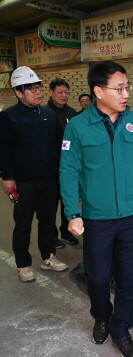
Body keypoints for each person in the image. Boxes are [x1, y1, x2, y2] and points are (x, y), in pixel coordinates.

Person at [59, 61, 133, 357]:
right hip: (97, 217)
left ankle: (121, 328)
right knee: (99, 277)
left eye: (128, 87)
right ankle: (101, 316)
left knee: (130, 277)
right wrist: (72, 214)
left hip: (132, 215)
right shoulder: (77, 127)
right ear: (98, 91)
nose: (125, 93)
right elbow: (68, 171)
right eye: (119, 88)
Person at [0, 66, 69, 282]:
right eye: (31, 88)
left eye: (38, 87)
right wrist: (8, 178)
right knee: (23, 223)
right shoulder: (8, 117)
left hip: (49, 179)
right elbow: (4, 149)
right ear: (19, 93)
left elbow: (60, 144)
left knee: (48, 220)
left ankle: (48, 256)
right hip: (23, 181)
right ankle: (23, 263)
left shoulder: (49, 115)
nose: (38, 92)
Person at [45, 78, 79, 248]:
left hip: (70, 169)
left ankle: (66, 231)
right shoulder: (44, 113)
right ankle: (52, 237)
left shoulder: (72, 113)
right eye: (60, 92)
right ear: (51, 93)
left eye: (66, 92)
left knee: (68, 202)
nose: (64, 95)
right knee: (50, 206)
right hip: (51, 170)